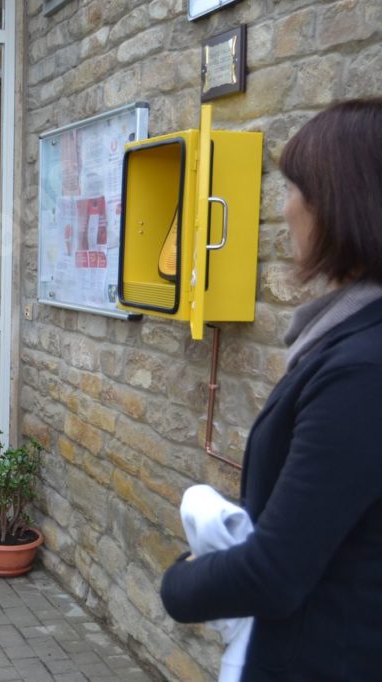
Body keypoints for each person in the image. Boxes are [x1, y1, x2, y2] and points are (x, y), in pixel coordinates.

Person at [160, 98, 382, 680]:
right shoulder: (348, 338)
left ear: (343, 204)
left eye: (293, 191)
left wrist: (179, 583)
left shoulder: (362, 367)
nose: (284, 212)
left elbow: (277, 571)